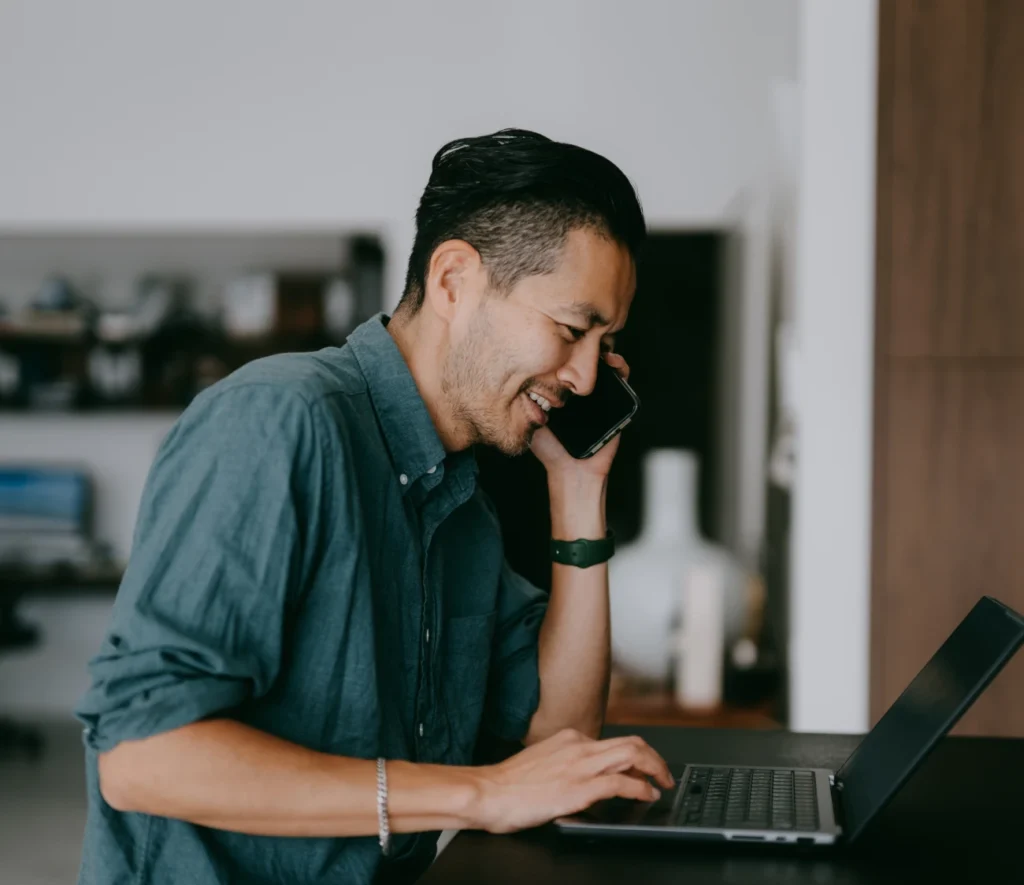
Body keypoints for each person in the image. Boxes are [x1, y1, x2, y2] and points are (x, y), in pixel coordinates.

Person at [75, 128, 675, 885]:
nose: (588, 378)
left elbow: (557, 737)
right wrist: (479, 794)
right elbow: (141, 756)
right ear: (454, 278)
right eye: (570, 329)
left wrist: (579, 492)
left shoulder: (460, 500)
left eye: (605, 342)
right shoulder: (277, 422)